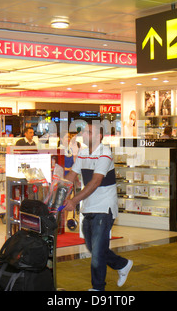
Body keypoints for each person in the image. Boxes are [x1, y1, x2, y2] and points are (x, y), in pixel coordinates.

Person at [63, 124, 133, 291]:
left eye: (89, 131)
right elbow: (72, 175)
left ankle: (98, 288)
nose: (84, 134)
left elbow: (95, 182)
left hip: (104, 207)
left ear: (99, 136)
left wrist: (73, 201)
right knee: (93, 247)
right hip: (88, 206)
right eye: (84, 131)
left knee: (97, 253)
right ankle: (122, 264)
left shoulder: (105, 153)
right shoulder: (83, 153)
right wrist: (61, 191)